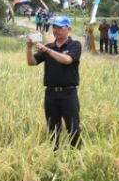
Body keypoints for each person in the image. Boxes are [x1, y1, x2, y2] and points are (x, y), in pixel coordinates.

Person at [26, 15, 82, 148]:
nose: (56, 30)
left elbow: (67, 60)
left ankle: (76, 155)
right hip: (51, 93)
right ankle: (54, 155)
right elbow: (31, 62)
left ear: (69, 29)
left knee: (73, 127)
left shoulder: (75, 45)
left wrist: (47, 50)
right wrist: (29, 48)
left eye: (59, 28)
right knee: (52, 127)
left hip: (69, 93)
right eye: (54, 27)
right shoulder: (49, 47)